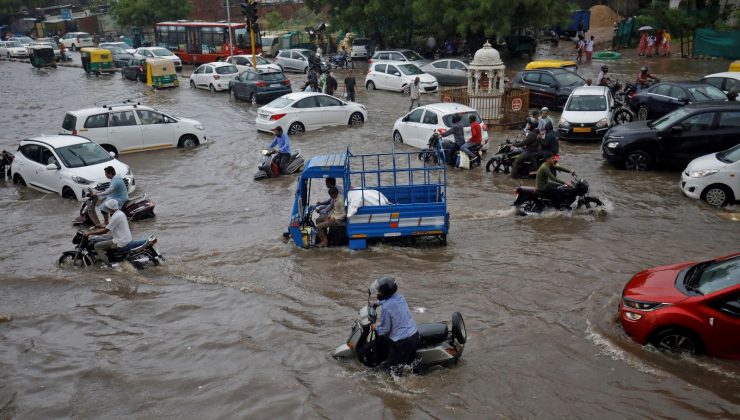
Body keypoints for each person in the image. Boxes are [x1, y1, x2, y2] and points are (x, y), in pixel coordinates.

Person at [370, 276, 420, 375]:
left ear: (385, 292)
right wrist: (377, 303)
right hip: (414, 335)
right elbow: (389, 301)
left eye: (379, 291)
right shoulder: (400, 297)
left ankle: (397, 386)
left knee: (393, 370)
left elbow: (385, 329)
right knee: (411, 363)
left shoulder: (386, 308)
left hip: (402, 342)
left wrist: (376, 327)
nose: (378, 293)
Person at [83, 199, 132, 267]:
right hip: (125, 237)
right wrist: (101, 226)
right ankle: (109, 256)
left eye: (107, 207)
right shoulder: (120, 213)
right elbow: (110, 226)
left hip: (121, 240)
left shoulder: (115, 217)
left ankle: (108, 265)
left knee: (97, 246)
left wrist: (90, 233)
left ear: (110, 208)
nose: (106, 209)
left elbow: (105, 231)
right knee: (105, 238)